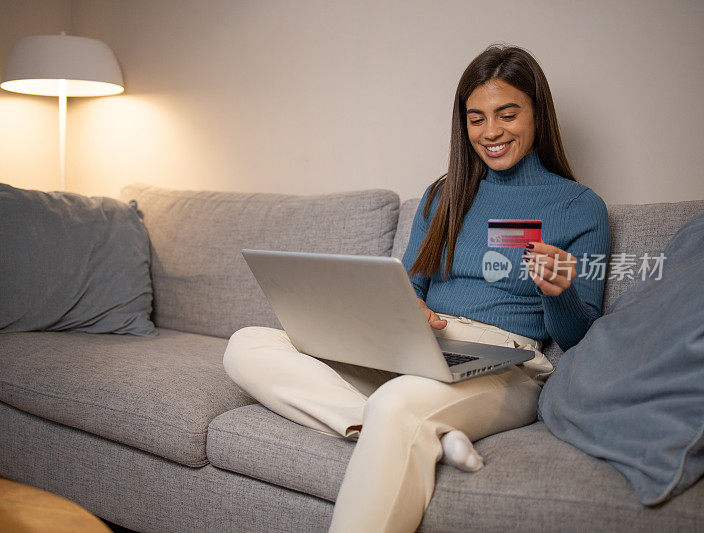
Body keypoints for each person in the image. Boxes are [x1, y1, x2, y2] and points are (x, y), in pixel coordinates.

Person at [223, 44, 610, 533]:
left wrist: (560, 292)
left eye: (507, 114)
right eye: (476, 119)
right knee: (247, 346)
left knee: (397, 401)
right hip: (421, 348)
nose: (491, 132)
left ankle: (411, 421)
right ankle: (424, 430)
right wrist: (410, 310)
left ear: (537, 114)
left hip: (507, 365)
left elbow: (581, 336)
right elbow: (408, 286)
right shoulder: (444, 195)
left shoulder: (579, 206)